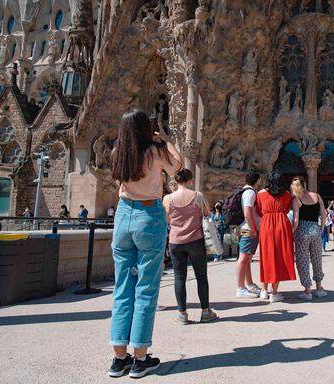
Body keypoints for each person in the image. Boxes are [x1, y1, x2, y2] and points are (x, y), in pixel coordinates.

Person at [108, 109, 183, 378]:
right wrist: (165, 138)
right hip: (148, 214)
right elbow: (178, 165)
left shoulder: (118, 152)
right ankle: (140, 358)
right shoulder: (153, 151)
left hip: (123, 215)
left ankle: (119, 358)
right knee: (146, 288)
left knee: (122, 288)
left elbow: (117, 179)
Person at [164, 168, 218, 325]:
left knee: (179, 277)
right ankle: (206, 312)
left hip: (176, 241)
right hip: (195, 240)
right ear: (190, 180)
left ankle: (182, 314)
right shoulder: (198, 196)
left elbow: (167, 219)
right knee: (201, 277)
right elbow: (207, 214)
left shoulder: (167, 198)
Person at [256, 171, 296, 302]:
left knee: (266, 256)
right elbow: (288, 209)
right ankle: (274, 292)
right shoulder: (287, 195)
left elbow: (259, 211)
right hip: (282, 225)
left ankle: (264, 290)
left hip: (266, 225)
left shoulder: (260, 194)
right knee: (279, 258)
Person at [290, 176, 328, 301]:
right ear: (305, 184)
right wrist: (321, 228)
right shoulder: (317, 196)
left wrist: (292, 232)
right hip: (315, 230)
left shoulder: (296, 199)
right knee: (317, 258)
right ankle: (319, 287)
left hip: (301, 231)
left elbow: (295, 220)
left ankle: (307, 290)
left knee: (303, 261)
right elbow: (324, 215)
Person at [236, 170, 263, 298]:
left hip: (246, 228)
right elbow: (247, 213)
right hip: (248, 229)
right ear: (257, 180)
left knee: (247, 258)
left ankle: (249, 284)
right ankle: (240, 288)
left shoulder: (245, 191)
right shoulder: (250, 193)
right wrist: (253, 229)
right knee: (243, 258)